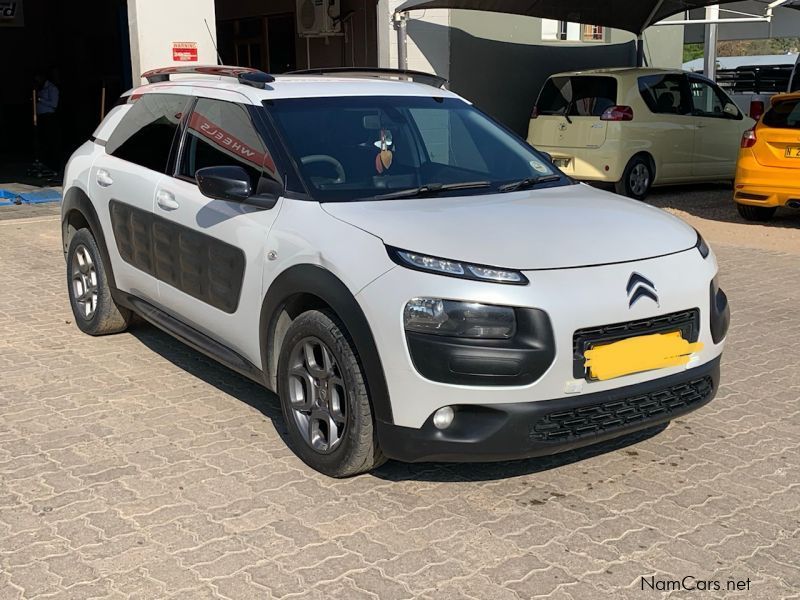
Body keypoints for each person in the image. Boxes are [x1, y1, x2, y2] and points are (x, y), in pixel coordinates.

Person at [34, 71, 61, 172]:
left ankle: (53, 166)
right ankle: (45, 164)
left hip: (49, 118)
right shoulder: (40, 89)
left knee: (51, 141)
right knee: (43, 142)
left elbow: (54, 104)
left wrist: (40, 99)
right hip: (41, 118)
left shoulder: (52, 88)